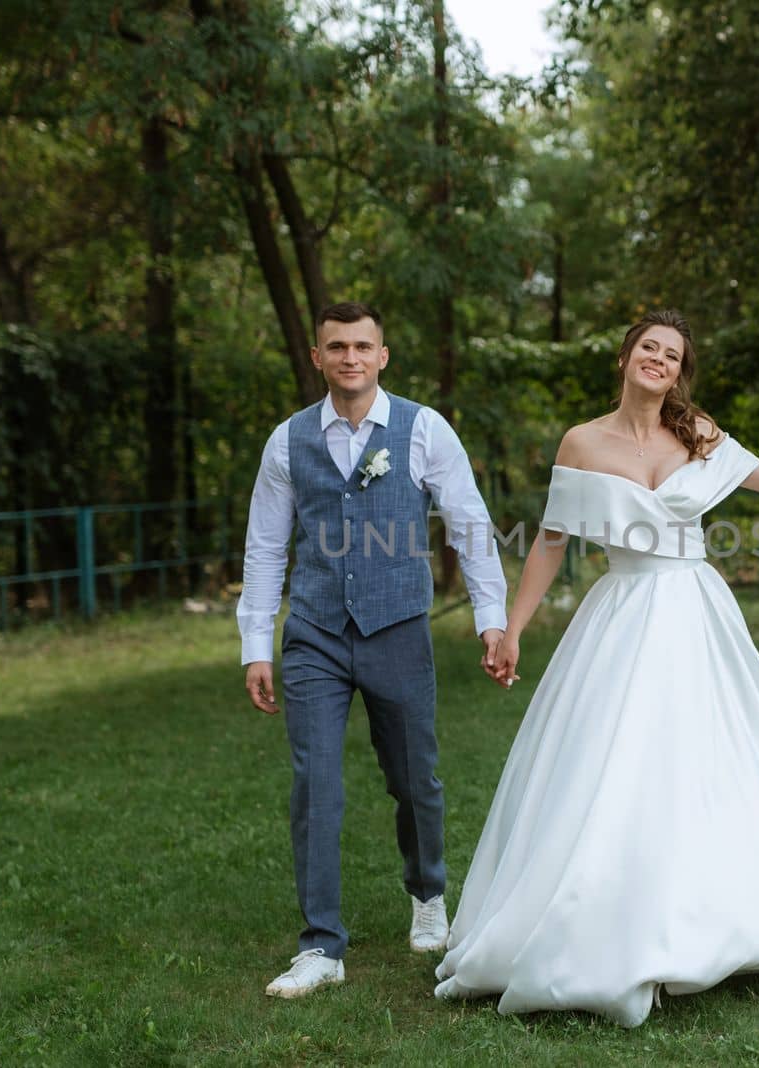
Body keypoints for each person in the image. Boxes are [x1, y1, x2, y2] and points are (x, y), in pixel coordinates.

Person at [433, 309, 759, 1027]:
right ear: (626, 357)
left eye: (671, 354)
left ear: (680, 373)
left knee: (708, 758)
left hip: (693, 610)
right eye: (647, 347)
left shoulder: (700, 432)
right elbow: (551, 543)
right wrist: (513, 630)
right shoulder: (582, 442)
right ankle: (610, 920)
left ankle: (714, 914)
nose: (657, 359)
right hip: (621, 613)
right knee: (614, 763)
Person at [237, 301, 508, 999]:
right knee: (315, 786)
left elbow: (470, 524)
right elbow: (266, 546)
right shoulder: (287, 440)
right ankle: (322, 946)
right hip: (316, 635)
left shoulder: (422, 429)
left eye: (363, 345)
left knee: (414, 779)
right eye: (337, 347)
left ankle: (427, 892)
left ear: (383, 356)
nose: (350, 357)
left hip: (397, 629)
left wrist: (492, 617)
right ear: (318, 357)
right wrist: (255, 644)